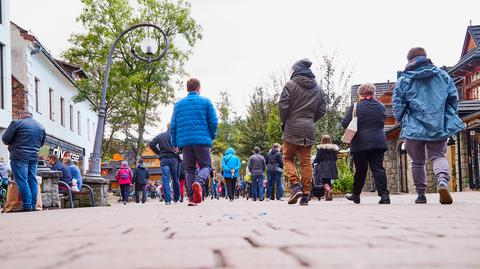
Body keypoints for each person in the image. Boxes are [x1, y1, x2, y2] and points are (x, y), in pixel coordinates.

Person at [393, 47, 464, 204]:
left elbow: (398, 104)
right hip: (438, 124)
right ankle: (442, 182)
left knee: (417, 162)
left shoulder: (404, 80)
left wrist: (400, 119)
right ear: (426, 57)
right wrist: (448, 115)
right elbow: (453, 98)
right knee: (438, 156)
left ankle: (421, 194)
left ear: (409, 60)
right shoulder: (442, 75)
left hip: (413, 127)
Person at [279, 59, 326, 206]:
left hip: (292, 127)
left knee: (287, 157)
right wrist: (310, 119)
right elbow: (322, 110)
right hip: (308, 128)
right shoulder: (318, 89)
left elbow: (283, 106)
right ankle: (305, 195)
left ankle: (295, 186)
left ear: (295, 70)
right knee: (306, 162)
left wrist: (285, 120)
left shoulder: (290, 85)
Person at [170, 78, 218, 206]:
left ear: (187, 88)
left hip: (185, 142)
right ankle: (199, 181)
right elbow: (213, 122)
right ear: (198, 88)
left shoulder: (178, 105)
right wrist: (211, 136)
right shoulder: (206, 102)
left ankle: (192, 198)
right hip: (202, 140)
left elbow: (173, 126)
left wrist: (174, 142)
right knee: (206, 166)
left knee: (189, 169)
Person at [342, 83, 390, 204]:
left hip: (360, 143)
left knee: (360, 170)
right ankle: (384, 196)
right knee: (378, 168)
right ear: (373, 93)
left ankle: (356, 195)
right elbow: (382, 120)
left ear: (360, 94)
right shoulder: (381, 106)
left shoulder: (356, 106)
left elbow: (345, 123)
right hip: (378, 141)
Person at [2, 111, 46, 212]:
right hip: (34, 157)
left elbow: (5, 139)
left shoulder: (16, 123)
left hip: (19, 156)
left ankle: (27, 206)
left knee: (22, 180)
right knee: (32, 180)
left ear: (21, 116)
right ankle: (34, 206)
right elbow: (41, 143)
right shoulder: (40, 126)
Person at [150, 123, 180, 205]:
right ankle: (176, 198)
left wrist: (159, 152)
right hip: (174, 159)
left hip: (164, 159)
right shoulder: (176, 136)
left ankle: (167, 200)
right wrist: (179, 151)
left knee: (165, 179)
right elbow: (181, 145)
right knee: (175, 179)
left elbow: (151, 144)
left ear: (167, 127)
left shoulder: (161, 135)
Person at [312, 135, 339, 201]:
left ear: (322, 140)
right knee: (329, 181)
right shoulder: (334, 148)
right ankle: (328, 196)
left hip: (323, 166)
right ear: (330, 140)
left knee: (324, 181)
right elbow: (335, 158)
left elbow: (318, 158)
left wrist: (313, 163)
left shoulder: (321, 148)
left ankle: (329, 190)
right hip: (332, 166)